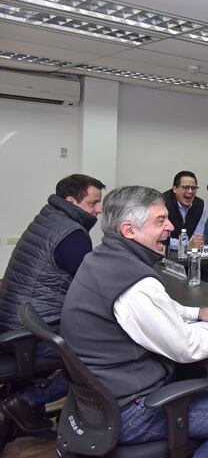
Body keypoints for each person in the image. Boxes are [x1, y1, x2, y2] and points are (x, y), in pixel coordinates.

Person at [60, 186, 208, 456]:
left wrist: (196, 313)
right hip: (130, 411)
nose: (170, 226)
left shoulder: (101, 258)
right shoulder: (136, 285)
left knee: (193, 374)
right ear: (129, 230)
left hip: (100, 400)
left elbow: (153, 309)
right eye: (159, 221)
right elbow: (186, 347)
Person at [0, 173, 104, 432]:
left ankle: (27, 404)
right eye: (93, 203)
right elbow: (92, 286)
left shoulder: (48, 217)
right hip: (30, 334)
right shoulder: (72, 234)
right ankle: (28, 400)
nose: (99, 209)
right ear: (71, 200)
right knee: (100, 356)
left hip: (14, 321)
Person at [162, 170, 205, 252]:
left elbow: (197, 236)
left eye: (193, 188)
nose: (190, 191)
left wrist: (194, 244)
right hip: (165, 252)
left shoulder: (201, 204)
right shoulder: (162, 203)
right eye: (185, 187)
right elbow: (160, 237)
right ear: (174, 189)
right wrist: (185, 245)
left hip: (191, 252)